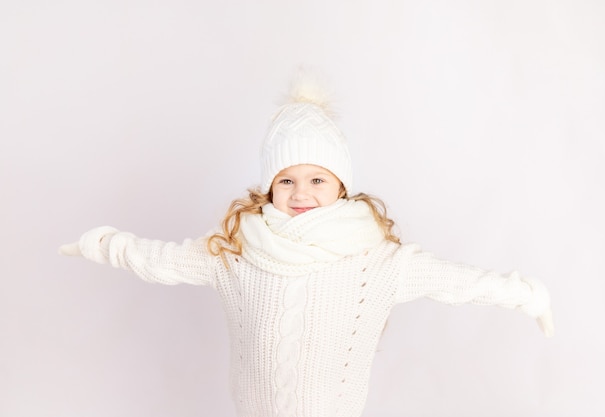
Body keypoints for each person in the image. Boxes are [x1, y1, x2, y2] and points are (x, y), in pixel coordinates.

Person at [59, 72, 554, 417]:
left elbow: (456, 281)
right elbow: (162, 260)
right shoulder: (236, 250)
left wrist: (527, 293)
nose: (301, 194)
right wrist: (101, 243)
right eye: (286, 180)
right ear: (268, 187)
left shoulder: (375, 261)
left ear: (342, 185)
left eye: (318, 179)